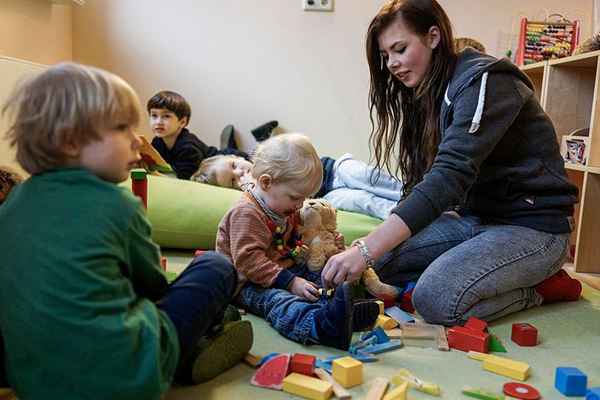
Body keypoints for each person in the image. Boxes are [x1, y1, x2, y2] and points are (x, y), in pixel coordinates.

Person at [320, 0, 582, 327]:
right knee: (381, 264)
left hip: (533, 228)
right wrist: (370, 250)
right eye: (386, 56)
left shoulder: (487, 81)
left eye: (400, 49)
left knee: (435, 300)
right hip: (477, 219)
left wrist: (364, 249)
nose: (392, 64)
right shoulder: (427, 91)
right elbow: (420, 182)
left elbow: (448, 177)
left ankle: (541, 288)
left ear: (433, 37)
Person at [0, 63, 252, 400]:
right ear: (71, 141)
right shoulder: (118, 204)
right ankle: (184, 354)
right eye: (123, 129)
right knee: (216, 268)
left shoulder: (12, 204)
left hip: (32, 381)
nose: (139, 141)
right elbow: (151, 287)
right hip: (127, 379)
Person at [216, 134, 379, 350]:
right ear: (266, 182)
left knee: (321, 275)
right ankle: (320, 327)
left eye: (305, 197)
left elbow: (296, 240)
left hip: (283, 268)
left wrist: (330, 244)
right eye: (295, 198)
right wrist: (291, 283)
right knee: (278, 301)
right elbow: (249, 262)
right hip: (248, 283)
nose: (301, 204)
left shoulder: (282, 206)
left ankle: (341, 311)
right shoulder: (246, 214)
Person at [192, 152, 403, 220]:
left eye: (234, 165)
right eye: (232, 180)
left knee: (366, 176)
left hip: (332, 169)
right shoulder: (258, 193)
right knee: (362, 201)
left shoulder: (265, 155)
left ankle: (412, 194)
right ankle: (408, 215)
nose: (239, 173)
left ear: (236, 156)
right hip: (327, 195)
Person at [147, 90, 251, 179]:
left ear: (182, 122)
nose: (158, 121)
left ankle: (230, 147)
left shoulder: (187, 147)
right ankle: (228, 145)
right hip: (208, 157)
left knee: (253, 160)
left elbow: (184, 177)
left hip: (220, 159)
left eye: (166, 116)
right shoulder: (157, 142)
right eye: (154, 115)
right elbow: (158, 164)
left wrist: (156, 174)